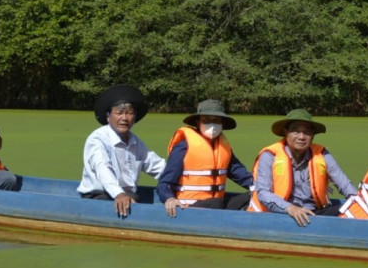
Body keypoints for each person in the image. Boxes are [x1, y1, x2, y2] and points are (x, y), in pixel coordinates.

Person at [248, 109, 358, 226]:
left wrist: (358, 202)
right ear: (286, 133)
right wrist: (290, 208)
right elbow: (263, 193)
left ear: (313, 135)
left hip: (314, 213)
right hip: (279, 214)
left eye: (307, 132)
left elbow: (344, 184)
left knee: (349, 208)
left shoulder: (322, 154)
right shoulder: (270, 155)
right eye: (295, 131)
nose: (301, 137)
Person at [78, 84, 166, 217]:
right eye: (118, 113)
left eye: (129, 113)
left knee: (133, 199)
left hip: (128, 196)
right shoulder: (97, 139)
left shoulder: (135, 141)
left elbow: (156, 165)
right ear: (108, 116)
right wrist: (118, 194)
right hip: (98, 197)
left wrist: (181, 180)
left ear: (134, 116)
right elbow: (102, 168)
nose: (124, 118)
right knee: (132, 203)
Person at [158, 98, 253, 214]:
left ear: (222, 123)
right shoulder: (183, 146)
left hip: (217, 205)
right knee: (215, 203)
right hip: (190, 208)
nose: (212, 124)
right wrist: (169, 198)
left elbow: (241, 174)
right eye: (206, 120)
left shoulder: (223, 147)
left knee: (253, 196)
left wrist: (260, 188)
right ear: (198, 122)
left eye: (217, 121)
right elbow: (165, 183)